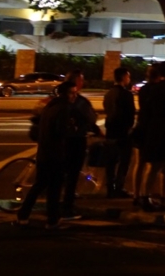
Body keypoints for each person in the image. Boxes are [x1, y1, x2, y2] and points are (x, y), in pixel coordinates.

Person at [15, 81, 79, 228]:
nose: (74, 96)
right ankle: (52, 220)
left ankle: (23, 215)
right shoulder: (63, 109)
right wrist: (72, 128)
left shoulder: (50, 106)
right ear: (64, 94)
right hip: (55, 154)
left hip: (44, 153)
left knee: (39, 185)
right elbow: (60, 132)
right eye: (71, 93)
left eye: (75, 92)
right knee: (54, 188)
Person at [140, 61, 165, 211]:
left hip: (154, 130)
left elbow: (146, 111)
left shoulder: (153, 89)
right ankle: (164, 198)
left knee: (154, 167)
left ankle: (145, 196)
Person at [61, 70, 102, 220]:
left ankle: (57, 204)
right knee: (72, 174)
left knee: (61, 174)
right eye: (81, 80)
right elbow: (90, 118)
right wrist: (96, 130)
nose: (83, 83)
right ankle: (67, 207)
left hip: (59, 140)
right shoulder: (78, 101)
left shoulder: (57, 99)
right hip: (75, 140)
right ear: (76, 82)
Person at [102, 67, 135, 199]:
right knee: (123, 161)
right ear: (123, 77)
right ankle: (119, 187)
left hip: (110, 131)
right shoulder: (126, 95)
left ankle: (110, 187)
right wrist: (129, 128)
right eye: (128, 76)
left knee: (110, 162)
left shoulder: (108, 93)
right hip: (122, 133)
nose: (129, 79)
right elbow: (130, 115)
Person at [132, 62, 161, 208]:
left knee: (140, 163)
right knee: (153, 165)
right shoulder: (157, 90)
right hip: (151, 128)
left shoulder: (143, 89)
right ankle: (146, 194)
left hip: (141, 126)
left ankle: (136, 194)